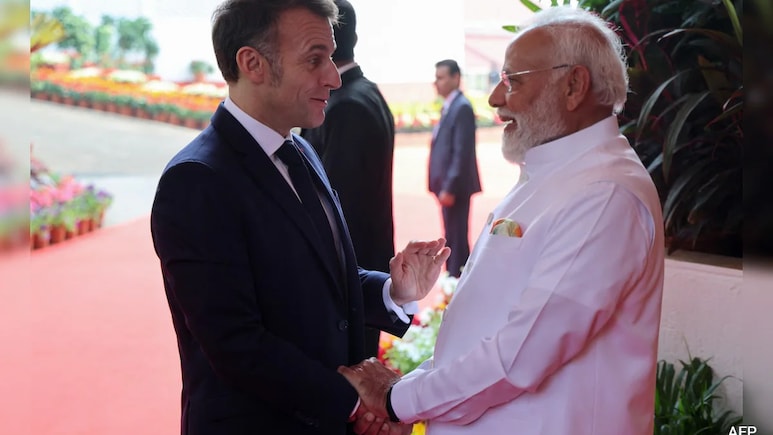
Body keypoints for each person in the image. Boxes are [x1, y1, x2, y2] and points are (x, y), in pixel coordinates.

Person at [338, 6, 665, 435]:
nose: (494, 98)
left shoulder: (604, 194)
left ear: (573, 85)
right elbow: (482, 336)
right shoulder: (555, 173)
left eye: (513, 80)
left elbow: (520, 354)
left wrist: (397, 400)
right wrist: (408, 399)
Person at [149, 1, 450, 434]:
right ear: (252, 63)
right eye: (314, 59)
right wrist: (356, 399)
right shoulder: (198, 180)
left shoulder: (300, 149)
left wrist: (392, 289)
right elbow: (236, 344)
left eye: (330, 56)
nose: (332, 76)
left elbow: (321, 282)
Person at [301, 0, 396, 359]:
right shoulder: (361, 92)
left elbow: (338, 209)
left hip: (351, 279)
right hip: (361, 270)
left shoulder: (346, 106)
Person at [429, 59, 481, 278]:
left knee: (457, 239)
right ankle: (455, 279)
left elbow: (462, 152)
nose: (436, 83)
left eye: (441, 77)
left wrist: (449, 187)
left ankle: (457, 282)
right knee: (452, 236)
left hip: (456, 188)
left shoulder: (461, 107)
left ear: (456, 78)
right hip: (448, 186)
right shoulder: (451, 105)